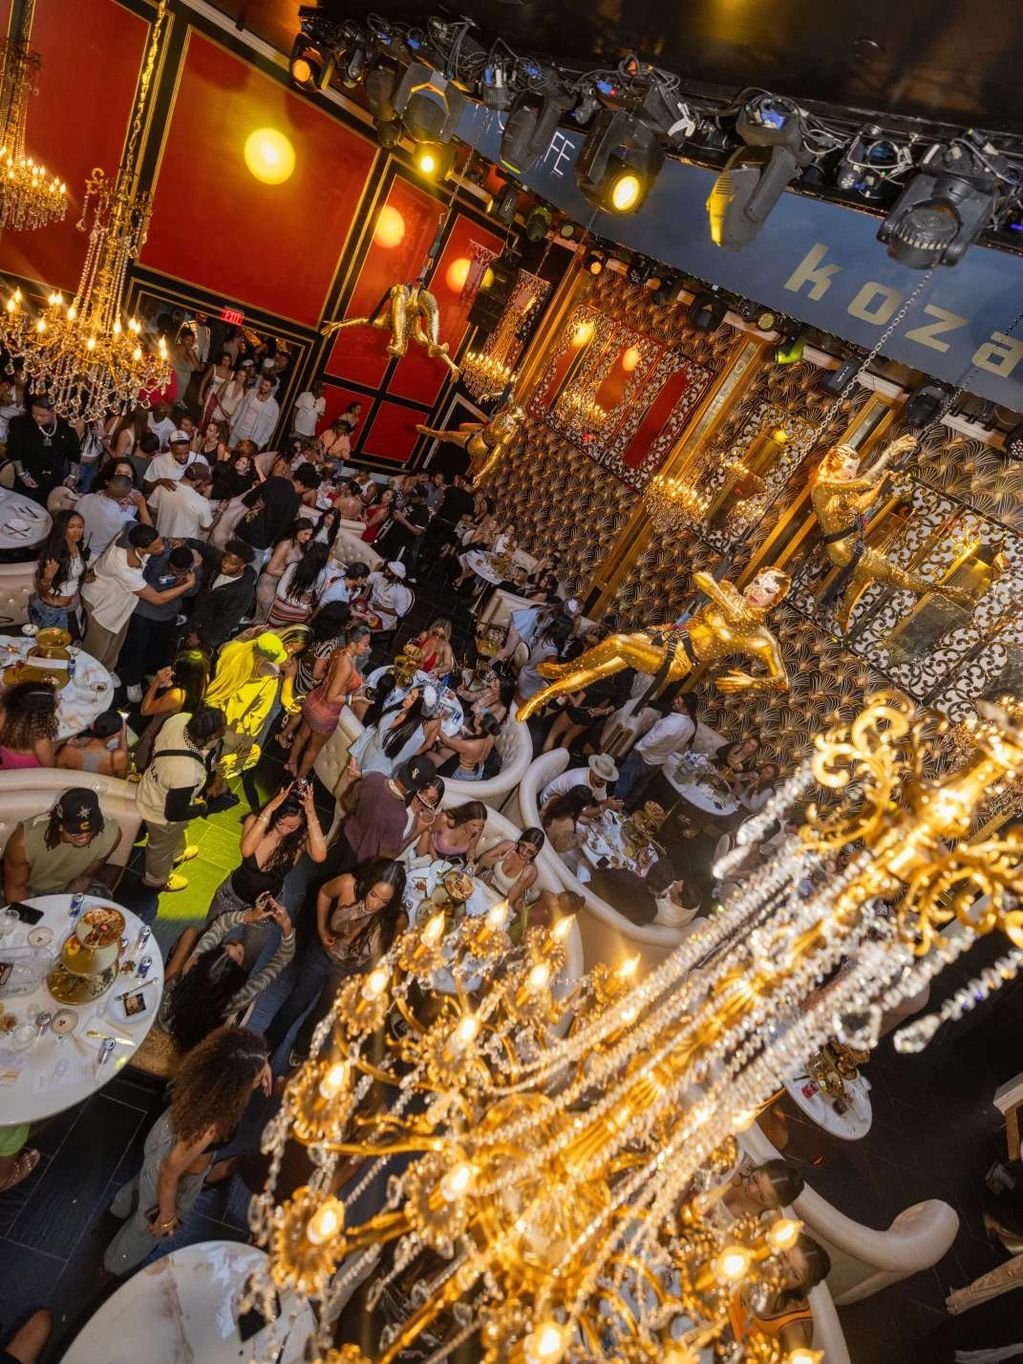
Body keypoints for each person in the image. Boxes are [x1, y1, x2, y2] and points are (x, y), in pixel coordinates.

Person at [103, 1027, 271, 1275]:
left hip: (164, 1134)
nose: (259, 1083)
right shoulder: (211, 1124)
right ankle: (116, 1264)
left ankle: (118, 1208)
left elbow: (233, 1051)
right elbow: (170, 1171)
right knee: (146, 1226)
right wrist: (168, 1214)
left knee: (142, 1182)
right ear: (235, 1085)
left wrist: (258, 1063)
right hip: (180, 1176)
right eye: (255, 1080)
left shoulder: (206, 1073)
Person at [263, 858, 407, 1065]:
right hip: (323, 954)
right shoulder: (349, 883)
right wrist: (322, 930)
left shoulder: (396, 917)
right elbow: (324, 893)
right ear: (367, 883)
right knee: (297, 1001)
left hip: (351, 968)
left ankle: (302, 1045)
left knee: (324, 1011)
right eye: (373, 895)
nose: (374, 904)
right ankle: (269, 1043)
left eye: (384, 901)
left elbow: (391, 951)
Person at [154, 900, 294, 1064]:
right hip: (195, 1044)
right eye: (239, 954)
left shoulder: (192, 966)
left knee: (190, 934)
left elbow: (220, 926)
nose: (239, 944)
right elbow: (283, 958)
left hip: (163, 1024)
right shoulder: (241, 996)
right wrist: (286, 926)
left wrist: (249, 916)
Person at [204, 784, 326, 965]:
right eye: (281, 823)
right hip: (232, 895)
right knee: (207, 944)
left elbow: (319, 855)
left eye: (292, 826)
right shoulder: (256, 821)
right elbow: (246, 851)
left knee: (248, 959)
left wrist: (310, 812)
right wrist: (269, 809)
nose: (285, 830)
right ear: (274, 815)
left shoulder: (299, 838)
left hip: (267, 906)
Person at [135, 706, 226, 893]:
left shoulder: (180, 719)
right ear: (207, 738)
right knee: (160, 849)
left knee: (177, 832)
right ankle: (156, 879)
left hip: (155, 785)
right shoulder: (187, 771)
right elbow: (174, 813)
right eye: (218, 734)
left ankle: (177, 852)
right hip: (160, 812)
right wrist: (201, 808)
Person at [81, 523, 195, 671]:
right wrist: (187, 585)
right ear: (141, 548)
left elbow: (130, 525)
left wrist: (178, 541)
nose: (162, 548)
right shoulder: (124, 568)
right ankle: (86, 676)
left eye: (160, 541)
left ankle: (107, 670)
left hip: (123, 603)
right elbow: (157, 598)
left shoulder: (136, 537)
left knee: (116, 642)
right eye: (156, 547)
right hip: (103, 604)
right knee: (97, 648)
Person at [3, 786, 121, 900]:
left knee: (103, 904)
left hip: (70, 887)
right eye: (76, 832)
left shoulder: (111, 834)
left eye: (91, 829)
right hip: (30, 890)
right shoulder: (23, 842)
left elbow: (85, 877)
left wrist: (66, 905)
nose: (85, 837)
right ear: (59, 825)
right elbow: (16, 888)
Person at [204, 631, 290, 784]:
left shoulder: (232, 649)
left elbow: (222, 652)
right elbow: (259, 712)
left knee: (203, 747)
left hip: (214, 711)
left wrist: (247, 634)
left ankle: (194, 777)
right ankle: (216, 786)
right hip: (236, 726)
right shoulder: (269, 676)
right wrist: (249, 737)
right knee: (226, 758)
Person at [286, 624, 370, 780]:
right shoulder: (346, 666)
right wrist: (356, 698)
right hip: (325, 713)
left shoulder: (340, 652)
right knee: (313, 749)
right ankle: (299, 782)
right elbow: (331, 697)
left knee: (302, 734)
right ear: (354, 643)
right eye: (365, 644)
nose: (367, 648)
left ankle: (290, 762)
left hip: (313, 701)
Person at [329, 754, 438, 873]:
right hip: (359, 862)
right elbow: (387, 855)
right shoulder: (400, 816)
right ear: (417, 788)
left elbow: (347, 803)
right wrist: (416, 832)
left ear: (403, 768)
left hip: (344, 838)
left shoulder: (374, 778)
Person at [119, 544, 201, 699]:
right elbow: (153, 585)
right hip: (144, 612)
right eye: (172, 569)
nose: (175, 572)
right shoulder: (158, 561)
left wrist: (187, 585)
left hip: (168, 615)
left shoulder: (194, 571)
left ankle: (151, 672)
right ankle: (132, 680)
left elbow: (193, 591)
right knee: (138, 648)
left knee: (159, 647)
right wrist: (177, 582)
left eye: (179, 571)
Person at [728, 1232, 830, 1351]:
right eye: (785, 1256)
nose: (782, 1269)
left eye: (795, 1274)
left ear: (801, 1286)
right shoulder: (756, 1255)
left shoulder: (794, 1330)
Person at [615, 693, 698, 806]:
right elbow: (679, 746)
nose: (675, 701)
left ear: (686, 709)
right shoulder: (691, 726)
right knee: (639, 787)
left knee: (624, 781)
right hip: (659, 761)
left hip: (643, 757)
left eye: (678, 702)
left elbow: (650, 742)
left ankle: (613, 805)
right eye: (677, 699)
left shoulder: (671, 724)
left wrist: (637, 748)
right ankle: (626, 807)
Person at [133, 650, 209, 770]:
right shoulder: (202, 682)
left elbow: (145, 710)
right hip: (171, 736)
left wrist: (157, 681)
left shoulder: (176, 696)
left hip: (154, 738)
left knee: (141, 769)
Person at [183, 538, 257, 655]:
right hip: (194, 621)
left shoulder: (243, 592)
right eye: (225, 559)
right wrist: (185, 541)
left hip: (209, 636)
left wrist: (200, 637)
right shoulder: (219, 561)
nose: (225, 565)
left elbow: (225, 623)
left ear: (243, 566)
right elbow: (205, 549)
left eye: (233, 564)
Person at [350, 685, 441, 779]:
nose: (407, 697)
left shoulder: (416, 737)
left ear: (418, 707)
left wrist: (362, 774)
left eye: (412, 698)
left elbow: (393, 767)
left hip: (375, 774)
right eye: (410, 693)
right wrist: (355, 755)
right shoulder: (397, 709)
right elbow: (372, 729)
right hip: (361, 756)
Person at [237, 459, 319, 562]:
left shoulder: (274, 480)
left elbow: (248, 501)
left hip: (244, 528)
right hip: (259, 540)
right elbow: (282, 529)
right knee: (250, 572)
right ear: (306, 487)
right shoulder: (293, 500)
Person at [588, 857, 700, 928]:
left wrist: (626, 873)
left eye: (674, 887)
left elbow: (596, 875)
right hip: (607, 923)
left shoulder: (626, 877)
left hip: (590, 897)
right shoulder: (652, 911)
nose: (672, 886)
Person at [7, 395, 78, 504]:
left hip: (55, 479)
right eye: (34, 413)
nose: (38, 418)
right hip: (28, 477)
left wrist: (72, 475)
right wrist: (22, 475)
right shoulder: (21, 424)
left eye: (43, 415)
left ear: (54, 412)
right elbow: (14, 452)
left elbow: (74, 452)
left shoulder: (65, 426)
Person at [28, 509, 88, 632]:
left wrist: (85, 577)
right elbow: (41, 589)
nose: (77, 531)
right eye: (71, 527)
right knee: (50, 648)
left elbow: (72, 573)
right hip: (50, 610)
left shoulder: (77, 545)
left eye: (80, 526)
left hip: (62, 608)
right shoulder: (56, 553)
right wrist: (47, 577)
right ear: (62, 529)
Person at [253, 519, 316, 620]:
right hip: (270, 581)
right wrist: (288, 575)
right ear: (297, 530)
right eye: (305, 534)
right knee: (267, 614)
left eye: (310, 535)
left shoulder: (302, 546)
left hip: (284, 583)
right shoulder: (285, 545)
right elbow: (270, 569)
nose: (308, 538)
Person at [76, 473, 150, 557]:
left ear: (108, 484)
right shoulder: (125, 520)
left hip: (77, 550)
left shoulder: (87, 498)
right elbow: (148, 535)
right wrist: (142, 507)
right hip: (100, 559)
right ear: (128, 494)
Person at [476, 828, 544, 911]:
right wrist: (500, 858)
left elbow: (513, 900)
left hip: (501, 902)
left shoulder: (532, 872)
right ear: (520, 841)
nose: (524, 853)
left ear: (536, 852)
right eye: (523, 846)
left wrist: (521, 881)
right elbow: (482, 861)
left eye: (530, 852)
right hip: (483, 887)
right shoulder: (508, 846)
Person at [266, 542, 329, 630]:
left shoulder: (294, 566)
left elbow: (279, 592)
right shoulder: (323, 575)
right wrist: (303, 606)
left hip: (281, 610)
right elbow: (319, 595)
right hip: (299, 614)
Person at [147, 462, 213, 541]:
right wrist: (221, 511)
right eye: (204, 484)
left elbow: (151, 508)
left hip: (161, 540)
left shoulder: (163, 487)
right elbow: (207, 527)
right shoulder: (201, 501)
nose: (203, 488)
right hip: (183, 546)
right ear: (198, 481)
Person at [541, 786, 602, 870]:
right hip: (546, 850)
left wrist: (583, 820)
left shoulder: (554, 798)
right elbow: (560, 848)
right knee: (582, 862)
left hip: (541, 830)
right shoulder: (568, 826)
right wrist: (579, 838)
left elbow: (560, 816)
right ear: (580, 806)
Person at [54, 710, 128, 778]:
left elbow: (56, 774)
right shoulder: (117, 759)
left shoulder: (67, 751)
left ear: (92, 725)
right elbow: (121, 781)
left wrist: (77, 748)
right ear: (116, 734)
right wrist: (123, 736)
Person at [0, 682, 57, 770]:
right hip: (27, 773)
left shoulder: (3, 717)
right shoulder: (40, 737)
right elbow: (50, 765)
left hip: (4, 764)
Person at [433, 709, 500, 781]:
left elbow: (446, 741)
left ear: (479, 728)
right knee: (442, 751)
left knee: (430, 754)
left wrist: (437, 721)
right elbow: (479, 740)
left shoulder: (471, 745)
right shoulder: (490, 735)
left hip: (463, 775)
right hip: (477, 770)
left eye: (478, 717)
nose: (476, 715)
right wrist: (466, 731)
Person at [414, 799, 486, 864]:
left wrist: (470, 861)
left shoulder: (478, 828)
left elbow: (471, 848)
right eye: (473, 825)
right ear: (464, 819)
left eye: (479, 827)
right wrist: (435, 858)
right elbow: (427, 833)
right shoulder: (445, 819)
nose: (476, 830)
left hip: (453, 862)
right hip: (430, 854)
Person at [540, 753, 620, 809]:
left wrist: (608, 802)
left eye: (606, 779)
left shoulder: (600, 781)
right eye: (602, 778)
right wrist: (605, 806)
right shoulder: (579, 781)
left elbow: (600, 800)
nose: (604, 782)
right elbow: (580, 812)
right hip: (550, 801)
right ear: (593, 771)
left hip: (567, 802)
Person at [375, 482, 430, 564]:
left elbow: (417, 531)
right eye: (412, 495)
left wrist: (402, 520)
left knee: (391, 564)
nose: (412, 498)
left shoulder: (424, 512)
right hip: (391, 536)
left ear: (422, 498)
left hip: (402, 543)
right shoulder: (411, 503)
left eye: (415, 497)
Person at [359, 560, 412, 634]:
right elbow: (364, 578)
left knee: (358, 623)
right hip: (369, 606)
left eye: (389, 571)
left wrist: (382, 608)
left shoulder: (400, 592)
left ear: (396, 576)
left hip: (382, 618)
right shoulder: (380, 576)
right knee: (350, 608)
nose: (385, 570)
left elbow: (399, 613)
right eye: (387, 568)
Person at [230, 374, 280, 449]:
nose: (262, 386)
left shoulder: (274, 406)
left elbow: (270, 427)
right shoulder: (251, 392)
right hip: (238, 428)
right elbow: (240, 407)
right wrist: (232, 421)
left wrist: (261, 443)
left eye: (266, 385)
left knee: (242, 457)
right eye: (262, 383)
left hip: (252, 437)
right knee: (229, 450)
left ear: (271, 388)